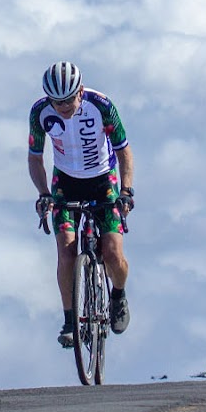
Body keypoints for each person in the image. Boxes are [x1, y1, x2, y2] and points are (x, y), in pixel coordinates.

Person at [28, 61, 134, 347]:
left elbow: (124, 152)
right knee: (66, 250)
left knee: (112, 253)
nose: (62, 106)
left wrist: (126, 191)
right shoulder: (40, 112)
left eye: (68, 99)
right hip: (65, 182)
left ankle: (118, 296)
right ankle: (69, 320)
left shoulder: (101, 106)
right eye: (56, 101)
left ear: (81, 91)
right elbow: (35, 157)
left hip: (103, 180)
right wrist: (42, 193)